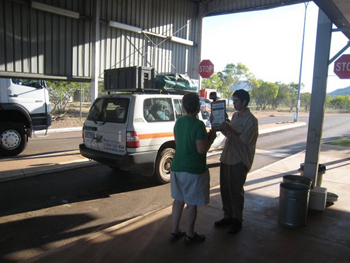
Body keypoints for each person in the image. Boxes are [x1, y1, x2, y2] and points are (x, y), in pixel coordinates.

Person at [170, 92, 216, 243]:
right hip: (193, 170)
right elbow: (202, 150)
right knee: (191, 204)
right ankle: (190, 235)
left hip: (177, 167)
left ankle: (175, 231)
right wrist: (212, 137)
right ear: (198, 107)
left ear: (184, 107)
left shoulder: (178, 123)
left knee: (178, 200)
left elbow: (178, 143)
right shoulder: (198, 125)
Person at [214, 89, 258, 234]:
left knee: (235, 191)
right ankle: (228, 216)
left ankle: (237, 220)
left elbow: (243, 140)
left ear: (244, 102)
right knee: (225, 189)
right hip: (227, 158)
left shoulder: (251, 120)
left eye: (236, 101)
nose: (234, 103)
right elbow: (230, 135)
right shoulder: (235, 116)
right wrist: (222, 128)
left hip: (238, 160)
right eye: (233, 100)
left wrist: (229, 129)